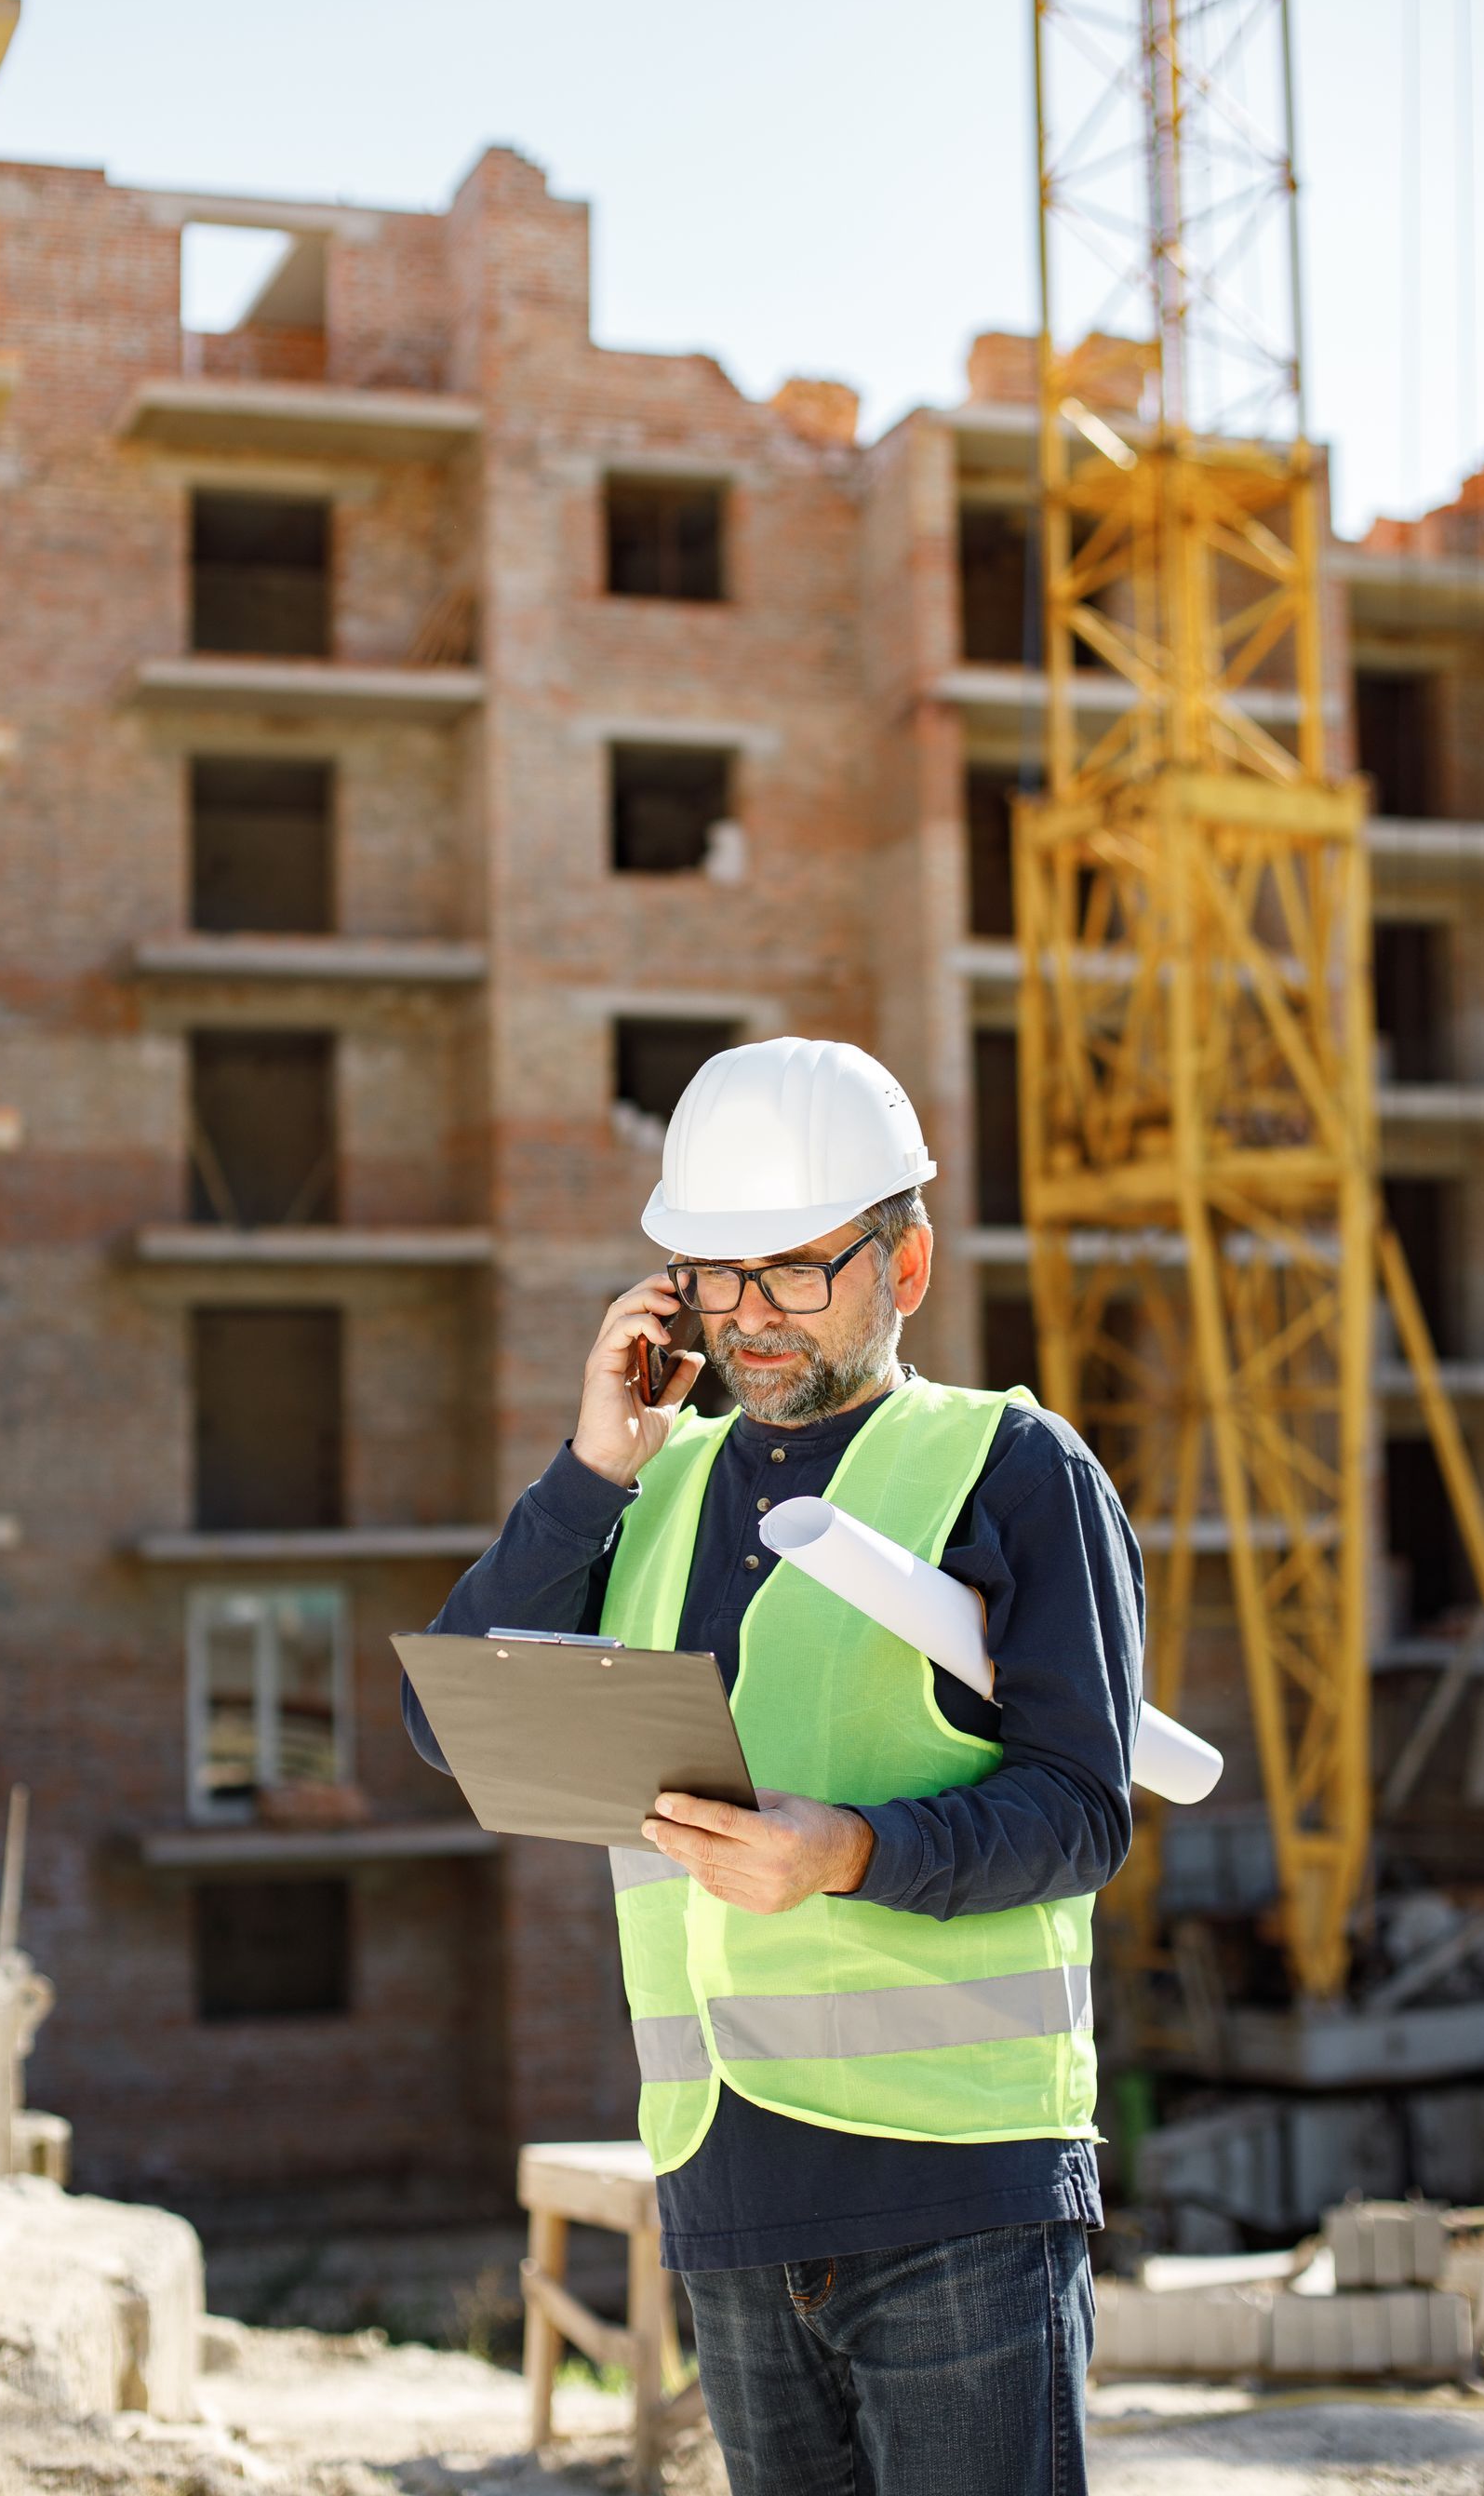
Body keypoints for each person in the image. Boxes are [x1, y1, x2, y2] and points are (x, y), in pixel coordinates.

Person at [402, 1035, 1143, 2496]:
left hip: (961, 2191)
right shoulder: (649, 1490)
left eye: (797, 1270)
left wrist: (849, 1852)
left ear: (905, 1266)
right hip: (727, 2184)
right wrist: (592, 1465)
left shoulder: (1013, 1468)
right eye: (713, 1278)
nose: (753, 1319)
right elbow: (458, 1724)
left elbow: (1081, 1811)